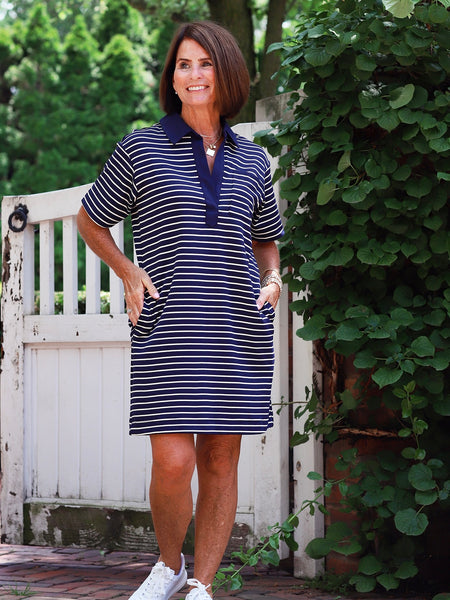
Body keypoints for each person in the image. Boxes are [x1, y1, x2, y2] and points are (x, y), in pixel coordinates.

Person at [77, 20, 284, 600]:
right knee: (172, 460)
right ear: (172, 78)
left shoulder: (253, 160)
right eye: (183, 65)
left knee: (220, 458)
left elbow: (266, 238)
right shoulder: (141, 148)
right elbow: (91, 220)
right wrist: (128, 270)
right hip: (168, 323)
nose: (193, 75)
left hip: (237, 327)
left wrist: (272, 278)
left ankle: (202, 584)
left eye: (205, 63)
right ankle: (168, 566)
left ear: (227, 73)